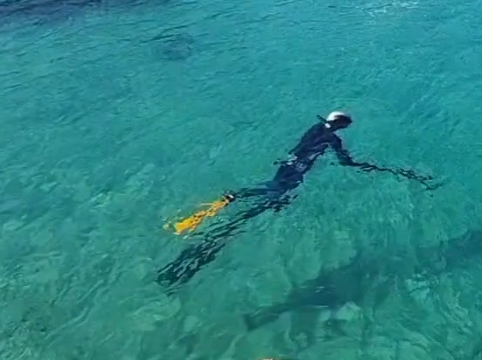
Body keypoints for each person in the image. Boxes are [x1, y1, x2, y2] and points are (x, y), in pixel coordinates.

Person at [158, 112, 437, 288]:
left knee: (269, 188)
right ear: (341, 126)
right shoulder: (333, 140)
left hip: (286, 166)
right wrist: (371, 166)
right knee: (267, 204)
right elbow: (346, 162)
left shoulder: (314, 129)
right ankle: (219, 229)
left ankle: (230, 198)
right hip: (295, 175)